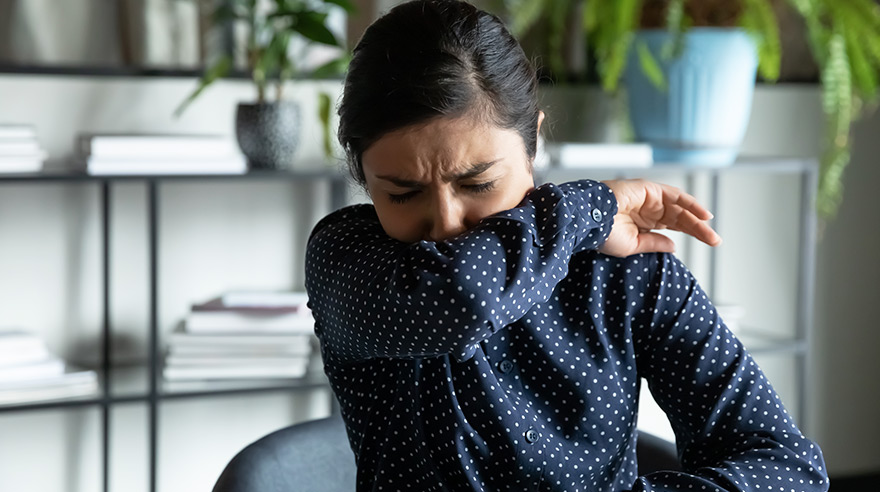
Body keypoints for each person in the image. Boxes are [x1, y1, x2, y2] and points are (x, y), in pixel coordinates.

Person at [305, 1, 829, 490]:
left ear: (533, 141)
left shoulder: (626, 272)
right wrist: (595, 205)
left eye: (478, 184)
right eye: (403, 193)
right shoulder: (347, 258)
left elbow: (786, 464)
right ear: (362, 175)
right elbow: (462, 297)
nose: (446, 224)